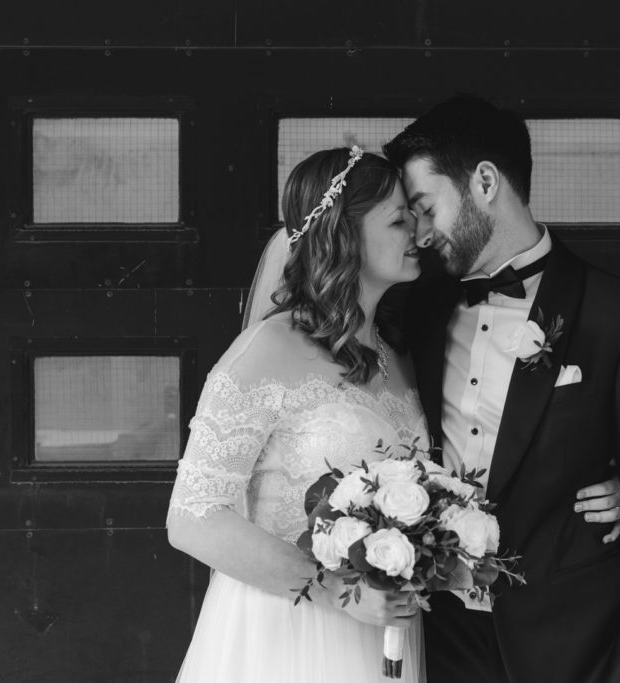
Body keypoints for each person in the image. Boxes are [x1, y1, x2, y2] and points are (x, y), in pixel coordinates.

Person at [383, 95, 620, 683]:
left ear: (483, 182)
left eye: (426, 208)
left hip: (573, 652)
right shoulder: (415, 308)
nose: (421, 234)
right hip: (440, 641)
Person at [167, 147, 427, 682]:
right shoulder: (267, 349)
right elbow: (191, 517)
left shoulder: (397, 357)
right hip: (288, 631)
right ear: (344, 234)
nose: (418, 234)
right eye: (400, 220)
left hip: (384, 633)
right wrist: (335, 590)